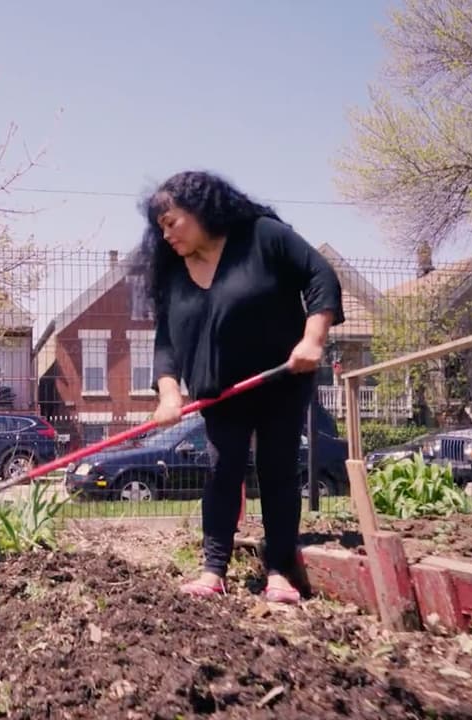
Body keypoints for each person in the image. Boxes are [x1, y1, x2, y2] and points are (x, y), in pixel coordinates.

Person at [140, 170, 344, 604]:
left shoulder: (263, 237)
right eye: (160, 226)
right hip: (220, 391)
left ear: (201, 210)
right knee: (220, 471)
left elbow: (320, 276)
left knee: (277, 470)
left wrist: (313, 339)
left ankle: (279, 571)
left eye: (171, 221)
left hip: (280, 380)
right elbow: (167, 341)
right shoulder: (175, 275)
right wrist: (170, 393)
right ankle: (214, 569)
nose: (166, 233)